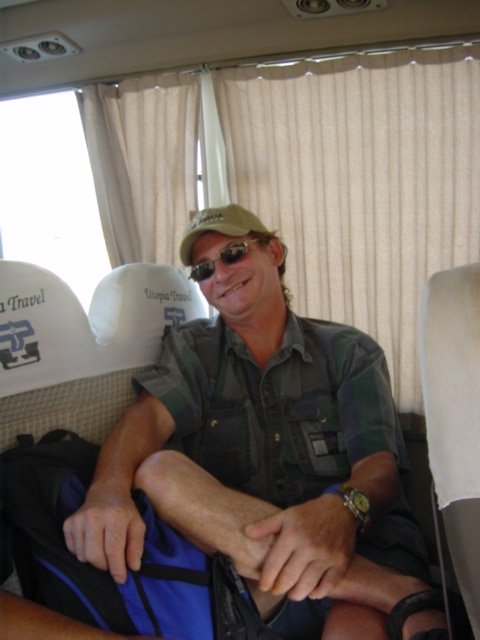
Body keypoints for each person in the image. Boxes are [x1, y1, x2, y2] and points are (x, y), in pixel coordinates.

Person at [63, 204, 449, 640]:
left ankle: (381, 588)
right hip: (256, 571)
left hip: (366, 543)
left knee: (353, 630)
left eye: (233, 254)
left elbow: (378, 468)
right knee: (157, 470)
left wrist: (342, 510)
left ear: (274, 252)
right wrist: (107, 490)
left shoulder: (349, 351)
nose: (220, 275)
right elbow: (146, 420)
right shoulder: (192, 351)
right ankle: (399, 593)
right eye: (203, 270)